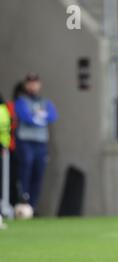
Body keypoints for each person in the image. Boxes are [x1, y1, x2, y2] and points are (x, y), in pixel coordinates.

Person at [15, 73, 58, 211]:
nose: (33, 85)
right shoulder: (22, 101)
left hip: (41, 143)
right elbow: (26, 117)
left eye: (35, 82)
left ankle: (32, 206)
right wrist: (39, 117)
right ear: (26, 85)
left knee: (38, 173)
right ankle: (23, 200)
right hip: (26, 141)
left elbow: (52, 115)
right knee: (26, 168)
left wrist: (37, 117)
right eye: (30, 83)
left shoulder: (45, 102)